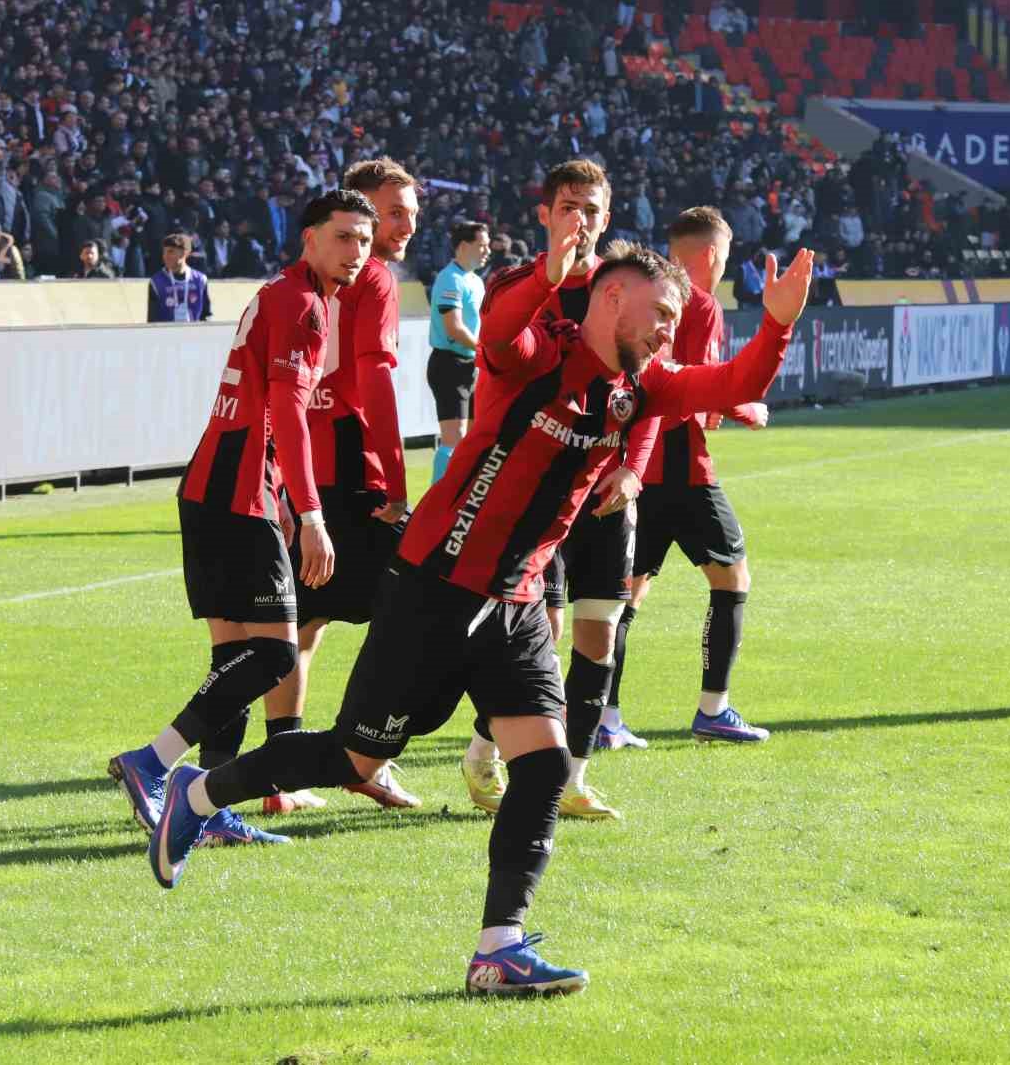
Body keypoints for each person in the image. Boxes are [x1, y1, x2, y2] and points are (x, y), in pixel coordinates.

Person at [141, 235, 816, 998]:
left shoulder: (643, 388)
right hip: (433, 588)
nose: (668, 329)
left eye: (675, 318)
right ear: (610, 299)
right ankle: (195, 799)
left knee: (544, 766)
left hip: (518, 601)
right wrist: (543, 274)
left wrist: (779, 323)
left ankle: (500, 949)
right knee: (351, 761)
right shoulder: (536, 355)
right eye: (659, 313)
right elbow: (498, 329)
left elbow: (735, 378)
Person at [106, 189, 374, 844]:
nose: (356, 253)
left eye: (364, 243)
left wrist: (283, 497)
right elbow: (286, 412)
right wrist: (309, 512)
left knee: (231, 661)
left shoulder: (281, 295)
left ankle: (204, 808)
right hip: (236, 489)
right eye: (343, 237)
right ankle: (154, 763)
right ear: (308, 238)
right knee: (274, 654)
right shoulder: (305, 306)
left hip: (218, 482)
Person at [195, 159, 423, 815]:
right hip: (345, 476)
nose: (400, 226)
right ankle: (361, 759)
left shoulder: (296, 287)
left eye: (409, 214)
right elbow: (373, 384)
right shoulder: (372, 279)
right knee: (412, 615)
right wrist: (394, 482)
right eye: (392, 212)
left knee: (294, 627)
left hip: (285, 478)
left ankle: (275, 771)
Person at [458, 160, 659, 824]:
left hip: (605, 490)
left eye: (593, 208)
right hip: (538, 491)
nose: (582, 219)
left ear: (609, 213)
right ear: (545, 214)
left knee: (599, 634)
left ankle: (574, 776)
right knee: (538, 633)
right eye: (569, 206)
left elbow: (651, 392)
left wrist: (632, 466)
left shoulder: (625, 288)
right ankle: (486, 749)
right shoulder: (520, 288)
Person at [601, 206, 772, 752]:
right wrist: (745, 408)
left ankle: (605, 718)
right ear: (712, 255)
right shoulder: (697, 303)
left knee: (624, 596)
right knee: (732, 580)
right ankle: (713, 709)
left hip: (633, 465)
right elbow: (690, 385)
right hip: (679, 466)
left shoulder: (637, 298)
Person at [427, 220, 492, 484]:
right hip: (449, 364)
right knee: (454, 438)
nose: (488, 251)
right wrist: (482, 350)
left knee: (474, 438)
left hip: (470, 365)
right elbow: (453, 327)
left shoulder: (476, 280)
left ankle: (460, 498)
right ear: (464, 246)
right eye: (482, 245)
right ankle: (433, 505)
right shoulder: (449, 278)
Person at [147, 234, 213, 322]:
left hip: (194, 334)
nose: (165, 256)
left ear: (183, 253)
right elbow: (152, 321)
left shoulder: (200, 280)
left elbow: (206, 316)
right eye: (164, 252)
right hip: (166, 334)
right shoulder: (156, 282)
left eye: (170, 251)